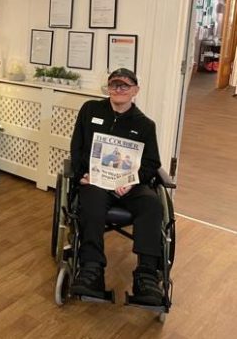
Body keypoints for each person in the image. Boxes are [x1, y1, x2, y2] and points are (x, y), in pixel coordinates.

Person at [69, 68, 164, 306]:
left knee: (152, 203)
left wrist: (131, 180)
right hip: (97, 181)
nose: (118, 90)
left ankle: (147, 275)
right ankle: (92, 269)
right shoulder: (90, 110)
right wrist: (83, 174)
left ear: (135, 91)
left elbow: (152, 163)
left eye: (124, 86)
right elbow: (77, 147)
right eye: (113, 85)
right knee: (90, 201)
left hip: (130, 184)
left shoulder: (145, 125)